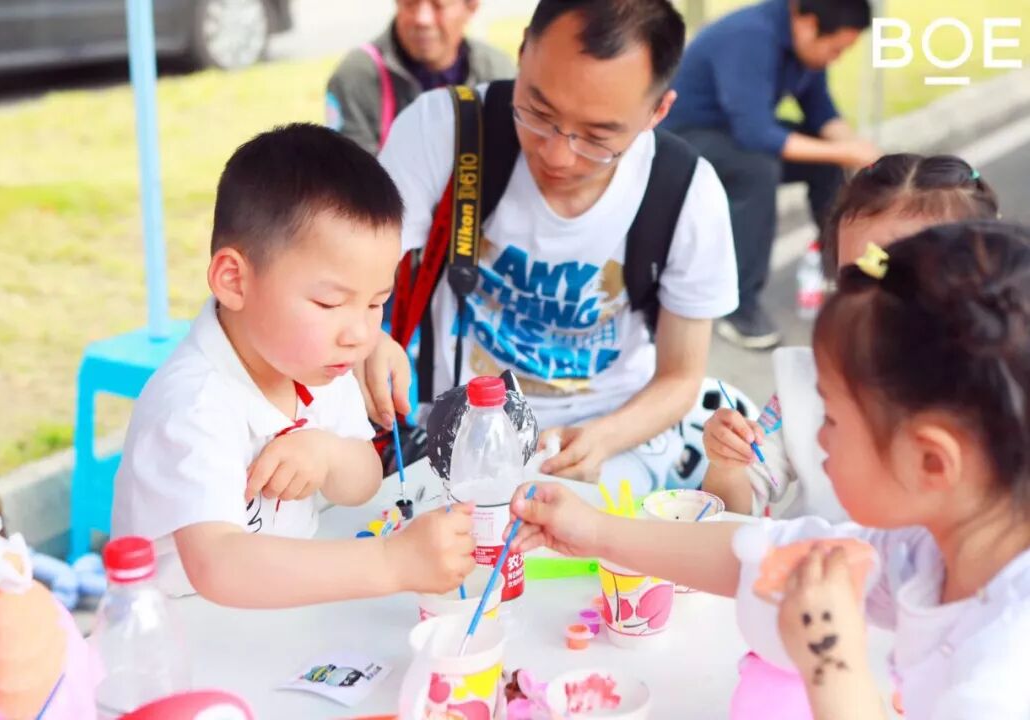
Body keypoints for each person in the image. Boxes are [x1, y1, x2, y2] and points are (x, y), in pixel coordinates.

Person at [506, 220, 1030, 719]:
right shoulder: (931, 552)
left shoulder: (1000, 676)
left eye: (832, 418)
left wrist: (831, 662)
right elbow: (758, 555)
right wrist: (595, 531)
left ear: (931, 461)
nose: (817, 436)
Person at [364, 0, 739, 491]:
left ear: (658, 111)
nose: (558, 155)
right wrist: (368, 341)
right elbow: (354, 272)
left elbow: (680, 378)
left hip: (613, 433)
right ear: (522, 52)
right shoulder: (445, 130)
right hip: (462, 433)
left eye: (598, 137)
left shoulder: (686, 192)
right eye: (539, 112)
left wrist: (602, 439)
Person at [111, 124, 475, 606]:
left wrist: (327, 455)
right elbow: (220, 565)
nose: (360, 333)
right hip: (186, 631)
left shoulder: (317, 364)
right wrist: (391, 563)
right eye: (329, 303)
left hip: (280, 617)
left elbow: (364, 478)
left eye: (376, 303)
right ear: (234, 281)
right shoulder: (193, 405)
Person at [702, 154, 1001, 519]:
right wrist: (727, 463)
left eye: (903, 276)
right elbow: (730, 512)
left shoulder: (1004, 397)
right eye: (855, 278)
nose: (874, 298)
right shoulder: (808, 382)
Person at [661, 0, 879, 350]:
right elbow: (756, 133)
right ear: (808, 24)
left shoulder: (804, 45)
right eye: (836, 49)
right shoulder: (750, 37)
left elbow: (820, 110)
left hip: (730, 131)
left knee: (827, 162)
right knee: (757, 169)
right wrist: (847, 152)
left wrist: (858, 151)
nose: (836, 58)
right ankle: (737, 306)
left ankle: (843, 268)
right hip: (680, 138)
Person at [325, 0, 515, 154]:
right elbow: (350, 178)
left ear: (471, 6)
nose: (422, 19)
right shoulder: (355, 78)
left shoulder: (499, 73)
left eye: (438, 5)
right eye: (410, 3)